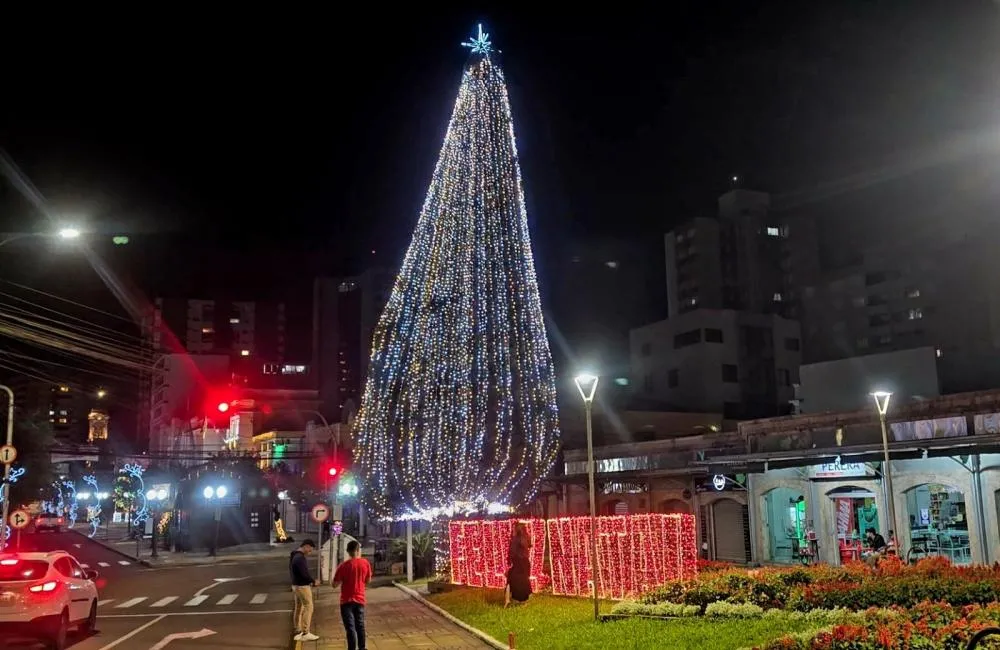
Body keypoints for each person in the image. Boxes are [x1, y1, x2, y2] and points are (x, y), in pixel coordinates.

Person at [332, 540, 373, 650]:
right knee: (360, 625)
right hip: (360, 599)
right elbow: (368, 580)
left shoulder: (343, 566)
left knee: (350, 628)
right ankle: (362, 648)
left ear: (348, 552)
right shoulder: (365, 563)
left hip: (346, 601)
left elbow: (334, 584)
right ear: (358, 550)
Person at [289, 539, 319, 642]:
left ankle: (297, 629)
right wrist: (313, 581)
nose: (310, 552)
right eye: (310, 550)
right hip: (302, 586)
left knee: (299, 607)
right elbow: (304, 574)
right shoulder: (300, 558)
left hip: (296, 585)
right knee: (308, 607)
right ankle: (306, 632)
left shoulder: (294, 556)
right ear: (306, 546)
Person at [505, 522, 532, 607]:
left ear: (516, 529)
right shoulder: (527, 537)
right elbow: (529, 546)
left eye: (513, 528)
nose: (512, 530)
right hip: (525, 563)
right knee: (524, 581)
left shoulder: (515, 539)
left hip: (517, 562)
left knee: (510, 579)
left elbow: (512, 552)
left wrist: (509, 561)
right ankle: (523, 601)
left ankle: (507, 600)